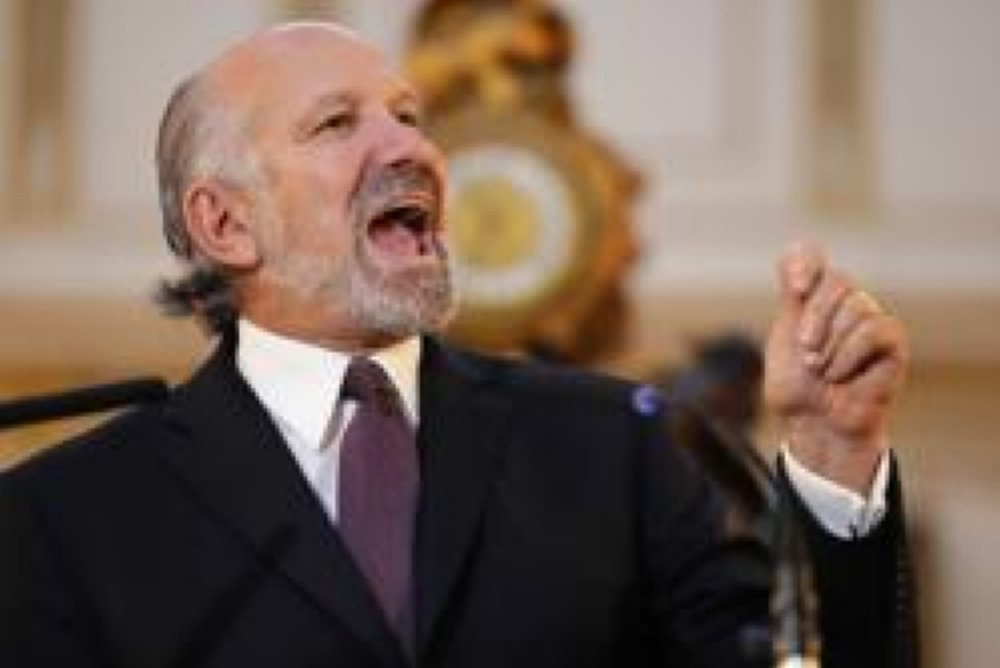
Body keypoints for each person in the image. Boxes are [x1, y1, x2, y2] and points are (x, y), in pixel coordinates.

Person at [0, 22, 914, 668]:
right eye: (337, 123)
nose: (411, 149)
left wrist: (834, 461)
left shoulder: (614, 446)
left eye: (409, 117)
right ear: (226, 223)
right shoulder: (60, 517)